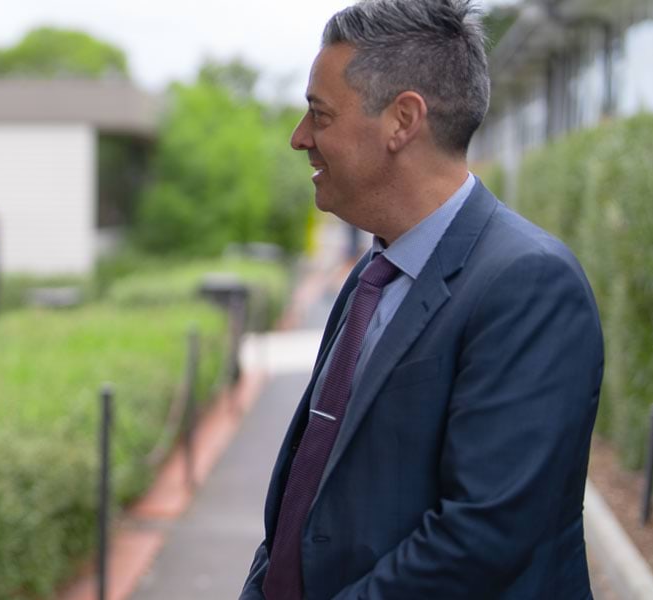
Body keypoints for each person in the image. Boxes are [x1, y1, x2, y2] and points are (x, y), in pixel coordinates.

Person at [241, 1, 604, 598]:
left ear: (402, 121)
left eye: (320, 114)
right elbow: (310, 498)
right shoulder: (373, 274)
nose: (299, 138)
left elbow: (483, 535)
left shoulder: (529, 285)